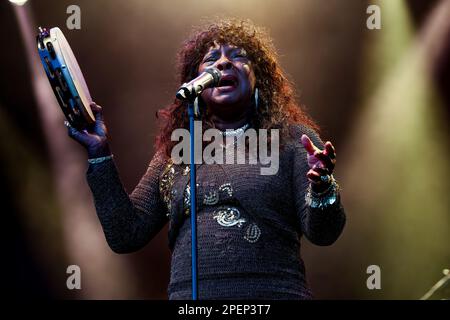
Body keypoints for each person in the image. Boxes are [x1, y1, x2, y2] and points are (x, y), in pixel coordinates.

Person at [66, 19, 346, 300]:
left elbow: (324, 233)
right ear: (195, 83)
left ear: (258, 77)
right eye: (211, 58)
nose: (223, 63)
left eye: (238, 56)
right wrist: (99, 154)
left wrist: (322, 186)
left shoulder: (293, 140)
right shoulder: (178, 152)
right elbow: (125, 234)